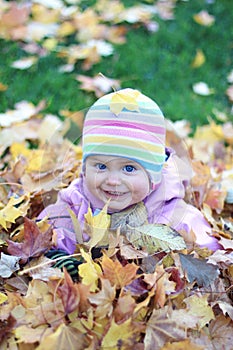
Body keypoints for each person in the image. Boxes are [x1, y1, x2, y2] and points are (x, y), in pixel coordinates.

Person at [38, 88, 221, 277]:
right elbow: (47, 233)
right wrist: (56, 258)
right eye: (101, 166)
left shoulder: (172, 214)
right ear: (85, 169)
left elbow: (207, 251)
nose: (113, 180)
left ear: (154, 177)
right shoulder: (76, 201)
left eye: (129, 169)